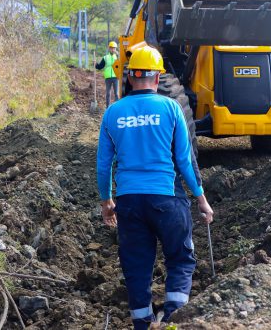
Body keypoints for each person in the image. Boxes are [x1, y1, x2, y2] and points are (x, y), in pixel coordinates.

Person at [96, 46, 214, 330]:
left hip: (129, 202)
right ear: (158, 75)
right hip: (167, 199)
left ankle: (142, 323)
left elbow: (103, 165)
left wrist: (106, 202)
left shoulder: (113, 112)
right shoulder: (171, 108)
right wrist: (201, 199)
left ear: (130, 75)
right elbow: (185, 160)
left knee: (136, 265)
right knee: (180, 258)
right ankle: (174, 319)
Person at [95, 41, 119, 107]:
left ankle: (117, 107)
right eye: (111, 48)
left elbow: (122, 64)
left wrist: (118, 55)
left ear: (116, 49)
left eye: (114, 48)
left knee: (116, 93)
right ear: (109, 48)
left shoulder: (118, 57)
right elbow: (100, 66)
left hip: (116, 77)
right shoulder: (105, 57)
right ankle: (107, 107)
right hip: (108, 77)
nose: (113, 49)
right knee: (108, 93)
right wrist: (96, 65)